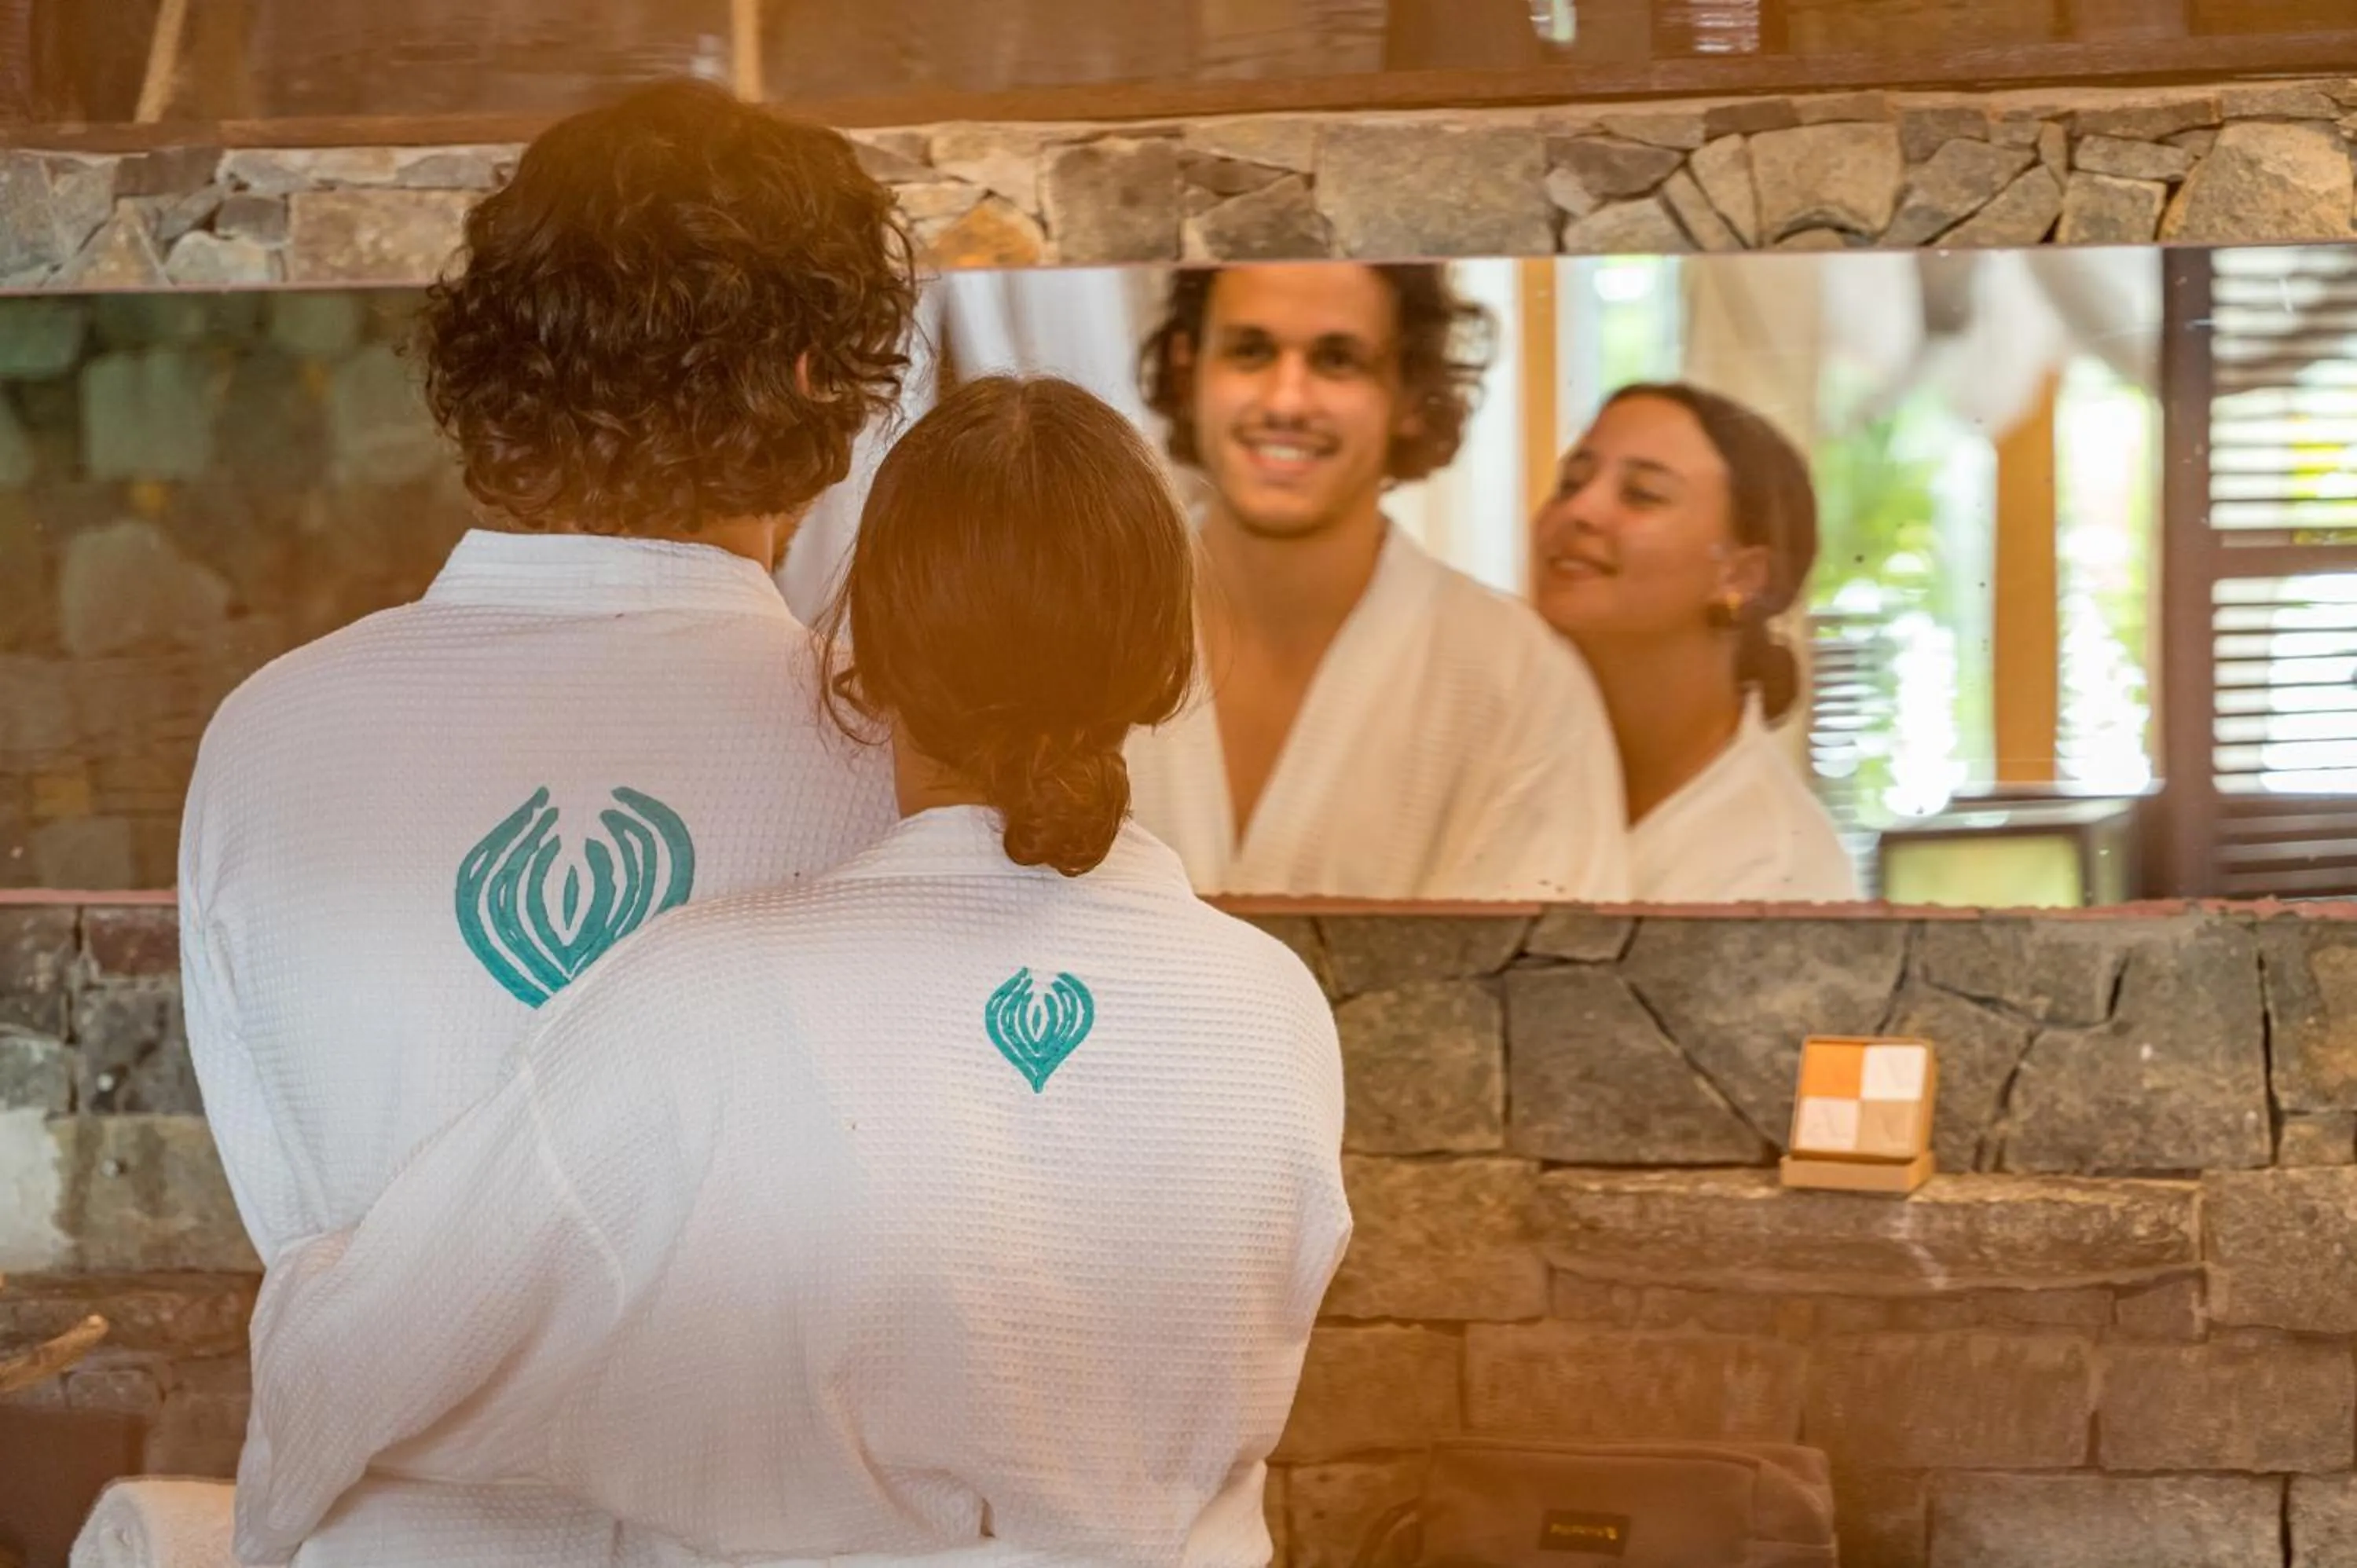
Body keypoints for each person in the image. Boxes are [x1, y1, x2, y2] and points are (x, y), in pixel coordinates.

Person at [232, 376, 1353, 1568]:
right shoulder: (1272, 1011)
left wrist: (271, 1505)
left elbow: (393, 1340)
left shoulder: (702, 1001)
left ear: (863, 653)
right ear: (1164, 663)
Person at [178, 79, 917, 1563]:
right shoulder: (894, 753)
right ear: (809, 376)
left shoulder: (276, 736)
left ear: (503, 364)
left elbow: (299, 1226)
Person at [1126, 262, 1629, 903]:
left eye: (1338, 361)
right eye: (1249, 352)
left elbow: (1539, 980)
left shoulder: (1521, 681)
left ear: (1412, 397)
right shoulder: (1072, 631)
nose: (1286, 401)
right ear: (1185, 368)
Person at [1530, 382, 1859, 903]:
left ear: (1742, 576)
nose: (1581, 511)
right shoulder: (1499, 749)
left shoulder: (1777, 872)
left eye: (1642, 495)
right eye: (1571, 483)